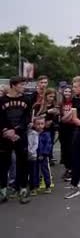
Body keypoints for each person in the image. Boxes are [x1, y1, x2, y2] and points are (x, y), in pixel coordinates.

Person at [0, 76, 33, 204]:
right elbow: (1, 118)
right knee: (3, 163)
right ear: (14, 85)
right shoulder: (1, 100)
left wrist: (17, 130)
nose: (24, 87)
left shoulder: (27, 99)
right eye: (22, 85)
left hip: (20, 136)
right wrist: (6, 131)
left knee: (23, 163)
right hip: (4, 137)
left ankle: (23, 189)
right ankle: (3, 190)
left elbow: (27, 118)